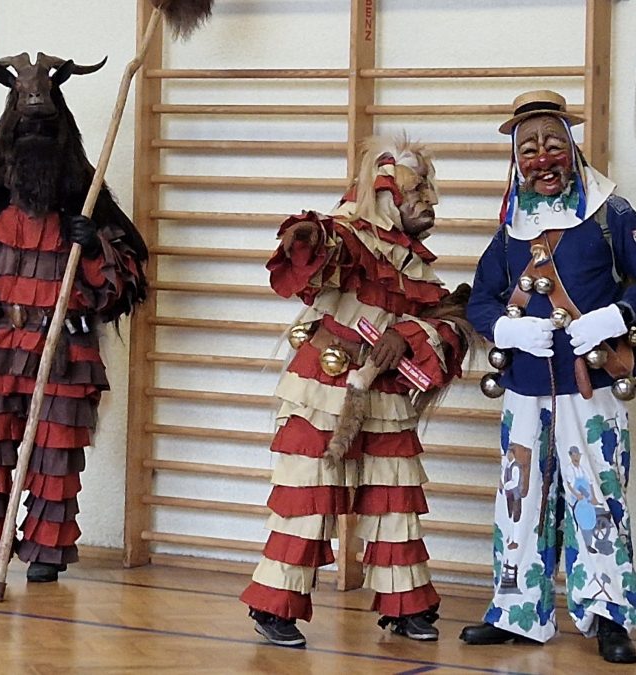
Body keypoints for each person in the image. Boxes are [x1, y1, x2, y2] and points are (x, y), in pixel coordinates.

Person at [241, 135, 470, 648]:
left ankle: (406, 607)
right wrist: (306, 236)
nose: (430, 201)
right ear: (387, 196)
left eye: (429, 191)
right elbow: (321, 250)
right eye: (418, 192)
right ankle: (275, 605)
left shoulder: (420, 269)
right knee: (308, 497)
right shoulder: (350, 238)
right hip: (321, 389)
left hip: (386, 397)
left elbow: (447, 323)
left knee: (395, 499)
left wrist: (408, 336)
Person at [0, 53, 147, 583]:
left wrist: (96, 246)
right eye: (26, 128)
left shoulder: (89, 205)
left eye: (44, 128)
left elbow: (125, 281)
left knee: (56, 456)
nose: (34, 136)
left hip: (65, 350)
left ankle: (47, 553)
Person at [463, 89, 636, 664]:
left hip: (593, 389)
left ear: (572, 148)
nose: (542, 159)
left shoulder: (612, 214)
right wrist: (506, 331)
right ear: (517, 159)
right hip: (524, 391)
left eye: (553, 145)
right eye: (530, 149)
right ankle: (518, 612)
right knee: (521, 498)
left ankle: (608, 614)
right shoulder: (510, 227)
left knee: (598, 495)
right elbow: (481, 298)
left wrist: (619, 316)